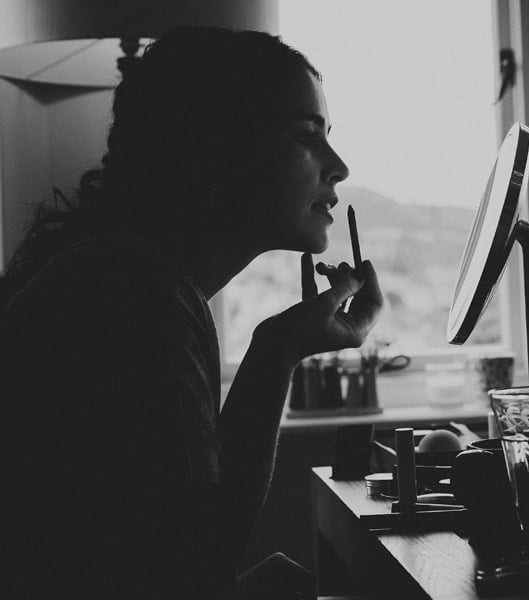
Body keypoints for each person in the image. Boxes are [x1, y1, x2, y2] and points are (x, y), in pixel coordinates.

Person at [0, 27, 383, 598]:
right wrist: (277, 351)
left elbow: (168, 556)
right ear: (217, 148)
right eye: (307, 136)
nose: (339, 166)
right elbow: (196, 567)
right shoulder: (135, 300)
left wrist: (279, 344)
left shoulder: (125, 272)